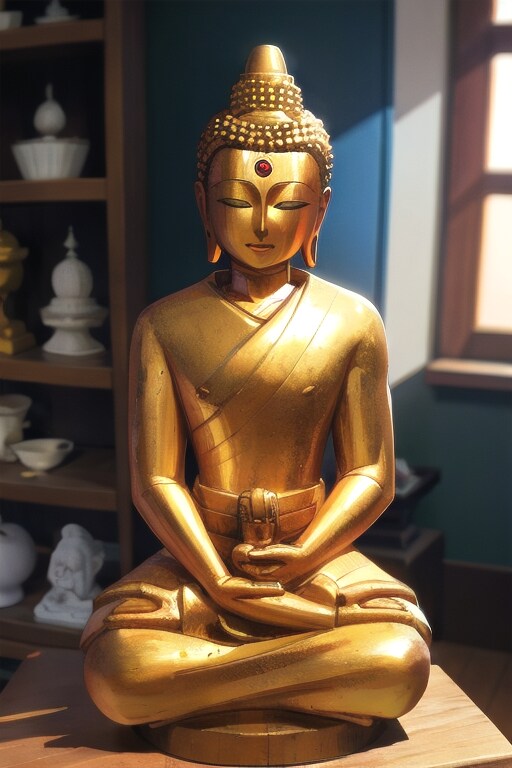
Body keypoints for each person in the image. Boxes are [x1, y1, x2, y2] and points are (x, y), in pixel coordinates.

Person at [82, 45, 430, 744]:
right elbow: (155, 480)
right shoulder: (164, 325)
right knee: (116, 669)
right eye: (238, 200)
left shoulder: (353, 322)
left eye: (288, 202)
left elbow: (371, 473)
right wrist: (216, 579)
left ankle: (205, 688)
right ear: (203, 206)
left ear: (319, 210)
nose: (263, 223)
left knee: (401, 660)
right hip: (202, 557)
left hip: (314, 557)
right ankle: (315, 682)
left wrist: (304, 558)